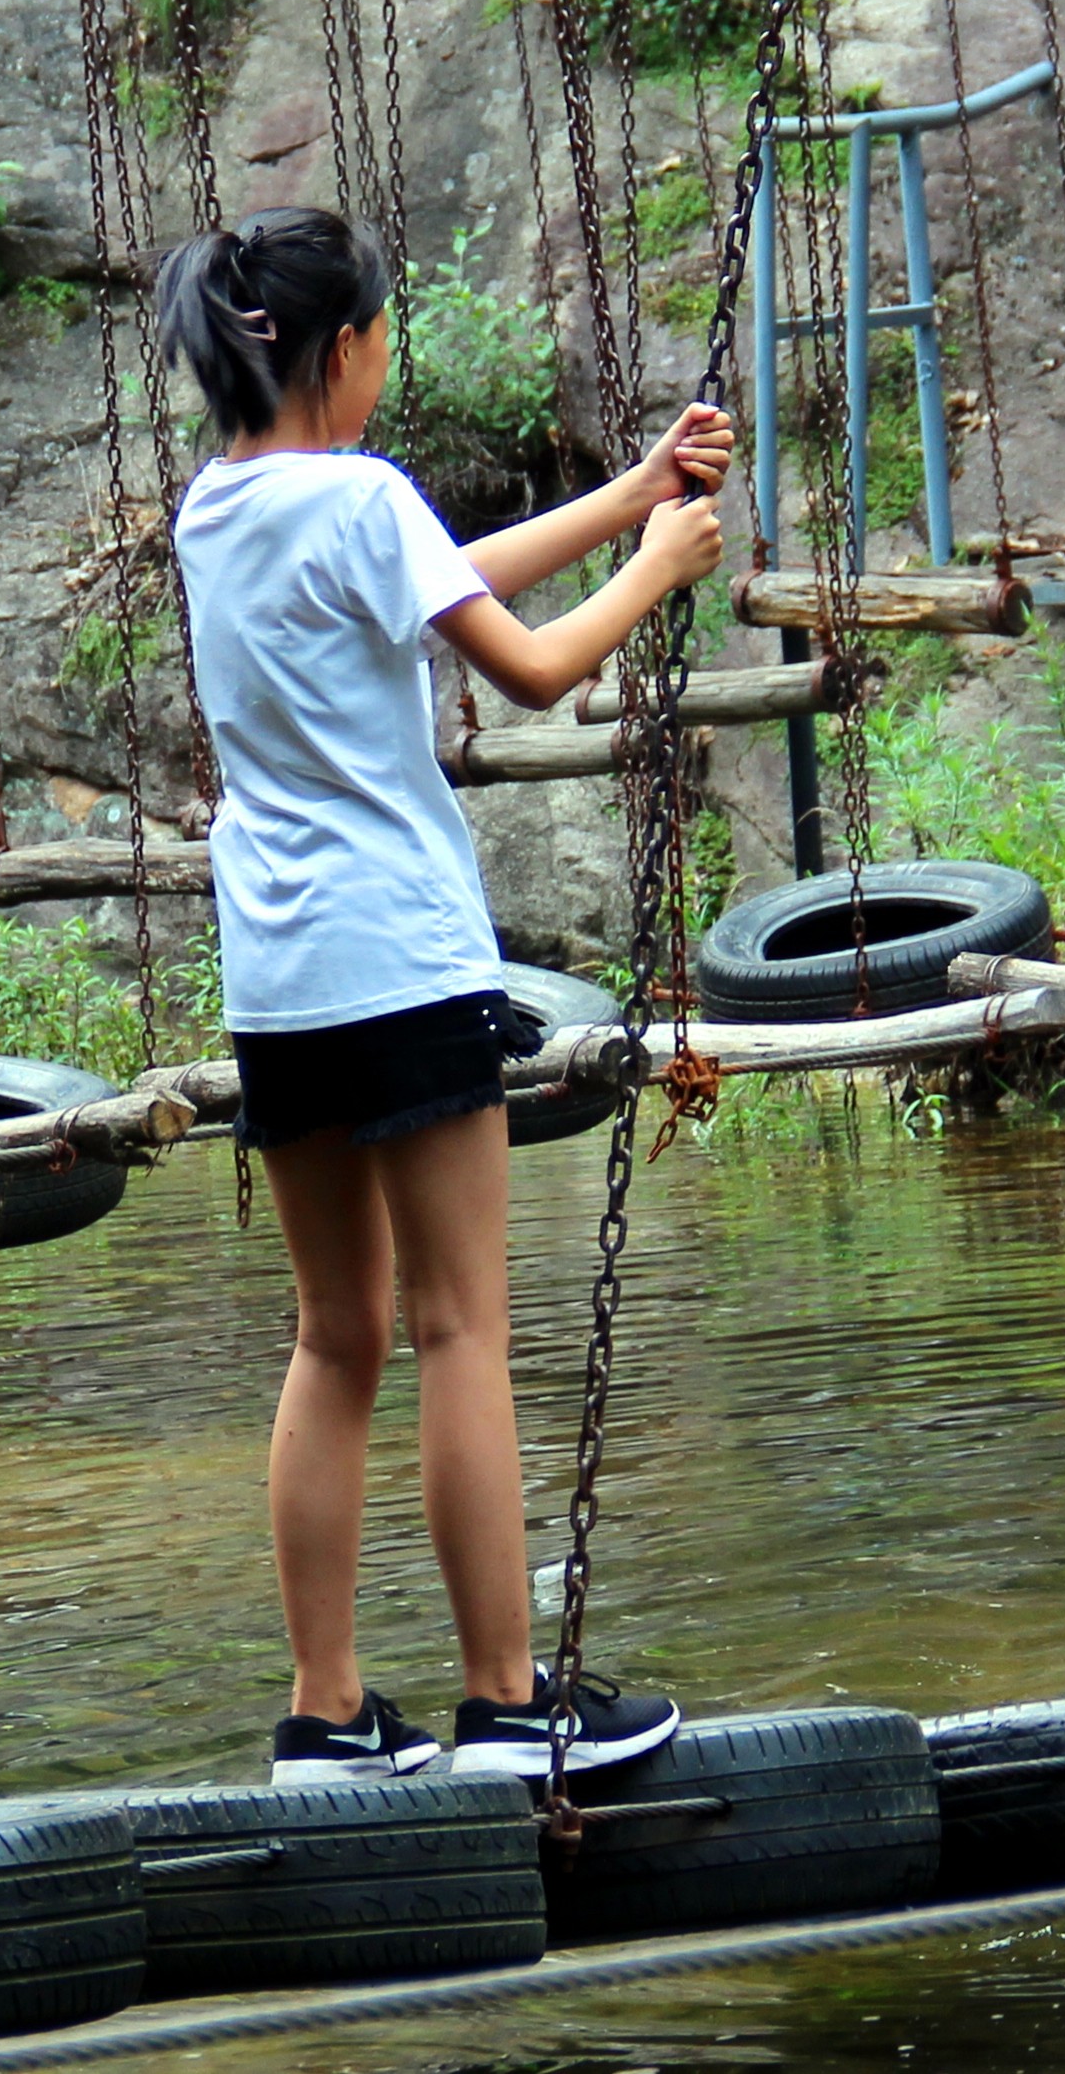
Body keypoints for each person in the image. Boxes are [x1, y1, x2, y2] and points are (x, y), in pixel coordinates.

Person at [159, 204, 722, 1784]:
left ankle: (326, 1714)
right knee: (462, 1323)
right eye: (383, 339)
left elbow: (430, 582)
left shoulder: (219, 509)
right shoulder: (365, 496)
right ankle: (504, 1696)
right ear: (342, 352)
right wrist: (661, 564)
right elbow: (528, 668)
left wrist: (626, 497)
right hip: (402, 956)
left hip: (278, 977)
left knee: (335, 1336)